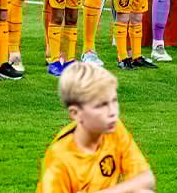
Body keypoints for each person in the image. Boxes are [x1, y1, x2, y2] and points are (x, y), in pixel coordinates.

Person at [36, 62, 155, 193]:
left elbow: (146, 178)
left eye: (114, 101)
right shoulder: (59, 158)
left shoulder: (114, 129)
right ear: (76, 113)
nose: (112, 112)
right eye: (101, 105)